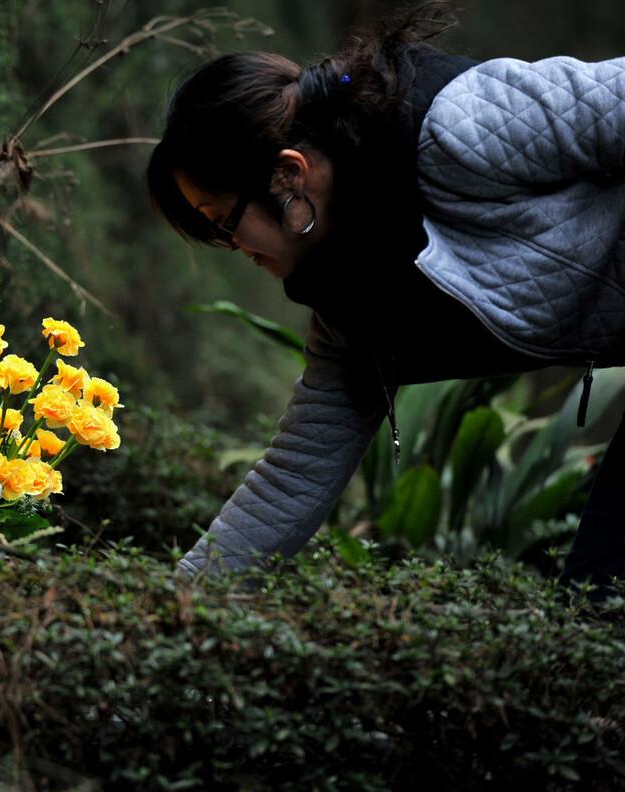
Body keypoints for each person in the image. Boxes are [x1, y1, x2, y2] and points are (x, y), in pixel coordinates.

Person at [146, 1, 625, 596]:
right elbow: (294, 477)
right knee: (599, 599)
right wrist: (177, 603)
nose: (229, 244)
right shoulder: (350, 313)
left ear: (289, 174)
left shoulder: (463, 125)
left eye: (222, 221)